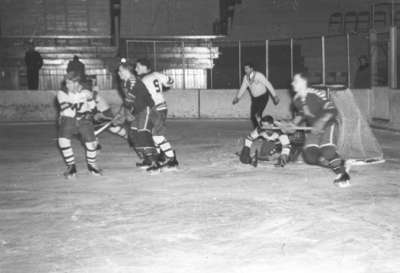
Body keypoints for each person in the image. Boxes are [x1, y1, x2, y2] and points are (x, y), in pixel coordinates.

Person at [280, 72, 350, 187]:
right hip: (314, 129)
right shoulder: (296, 100)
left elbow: (332, 110)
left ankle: (343, 175)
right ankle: (340, 163)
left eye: (295, 81)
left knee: (327, 150)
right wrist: (292, 125)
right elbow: (302, 113)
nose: (292, 83)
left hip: (328, 125)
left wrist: (321, 122)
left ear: (304, 82)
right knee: (310, 156)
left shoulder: (316, 94)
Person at [116, 59, 161, 173]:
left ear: (127, 71)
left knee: (143, 134)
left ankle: (155, 162)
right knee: (133, 134)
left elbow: (129, 100)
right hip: (137, 111)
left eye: (120, 71)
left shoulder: (133, 81)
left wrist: (122, 114)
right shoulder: (124, 83)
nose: (118, 73)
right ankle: (147, 159)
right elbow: (127, 101)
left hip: (146, 110)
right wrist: (122, 112)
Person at [134, 58, 178, 170]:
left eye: (137, 67)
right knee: (151, 135)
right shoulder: (156, 74)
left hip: (155, 109)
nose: (135, 69)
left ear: (144, 67)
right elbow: (170, 81)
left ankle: (171, 159)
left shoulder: (142, 80)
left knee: (156, 135)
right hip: (159, 107)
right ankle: (157, 159)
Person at [57, 71, 102, 179]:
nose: (67, 85)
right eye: (66, 83)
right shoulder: (62, 93)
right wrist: (84, 102)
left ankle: (92, 165)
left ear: (76, 83)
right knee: (63, 141)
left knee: (92, 144)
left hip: (83, 121)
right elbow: (68, 110)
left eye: (70, 83)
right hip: (68, 119)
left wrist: (94, 111)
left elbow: (92, 107)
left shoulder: (86, 92)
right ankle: (71, 167)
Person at [232, 62, 280, 128]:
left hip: (263, 97)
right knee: (253, 116)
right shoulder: (245, 78)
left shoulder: (258, 75)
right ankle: (258, 130)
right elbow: (243, 88)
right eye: (244, 69)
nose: (245, 70)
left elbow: (268, 84)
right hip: (255, 99)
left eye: (247, 68)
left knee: (257, 115)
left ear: (251, 69)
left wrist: (275, 96)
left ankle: (263, 128)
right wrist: (237, 97)